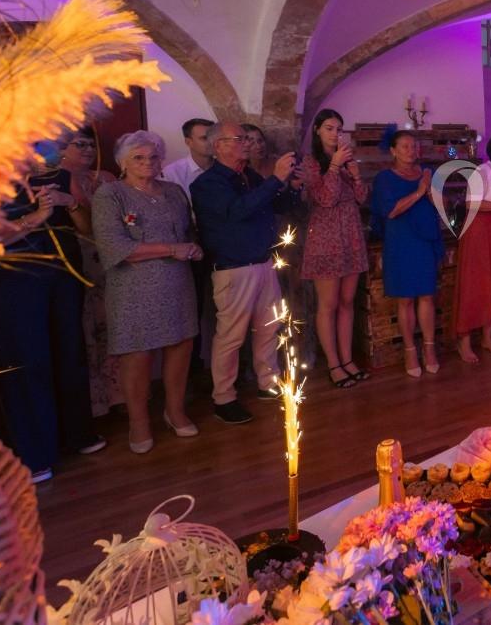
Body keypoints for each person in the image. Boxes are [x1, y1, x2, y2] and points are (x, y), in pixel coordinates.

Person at [0, 141, 105, 482]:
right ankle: (34, 455)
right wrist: (34, 219)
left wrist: (67, 203)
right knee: (27, 363)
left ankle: (76, 435)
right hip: (11, 282)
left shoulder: (54, 177)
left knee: (68, 355)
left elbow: (86, 226)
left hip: (60, 275)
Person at [91, 132, 201, 453]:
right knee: (137, 355)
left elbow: (188, 232)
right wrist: (172, 249)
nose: (148, 163)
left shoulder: (174, 191)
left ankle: (175, 411)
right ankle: (138, 423)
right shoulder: (110, 194)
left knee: (181, 346)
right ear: (122, 162)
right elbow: (114, 246)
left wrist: (193, 247)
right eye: (138, 157)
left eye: (153, 156)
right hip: (133, 288)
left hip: (177, 283)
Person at [191, 122, 300, 424]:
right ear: (218, 146)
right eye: (239, 139)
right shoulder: (208, 184)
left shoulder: (249, 176)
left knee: (269, 329)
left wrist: (291, 185)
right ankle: (224, 398)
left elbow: (277, 205)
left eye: (247, 139)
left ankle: (268, 382)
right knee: (231, 337)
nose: (247, 143)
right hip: (233, 268)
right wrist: (275, 179)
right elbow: (237, 211)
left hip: (264, 262)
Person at [301, 109, 370, 388]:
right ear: (317, 130)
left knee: (347, 302)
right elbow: (325, 199)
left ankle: (348, 359)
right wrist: (333, 167)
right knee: (328, 305)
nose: (335, 134)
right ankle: (333, 364)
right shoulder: (310, 163)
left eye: (339, 129)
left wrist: (356, 176)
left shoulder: (347, 161)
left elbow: (361, 199)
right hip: (326, 240)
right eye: (329, 128)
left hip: (350, 236)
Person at [370, 129, 445, 377]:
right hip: (400, 242)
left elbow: (442, 206)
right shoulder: (385, 178)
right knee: (405, 299)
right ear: (393, 151)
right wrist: (419, 191)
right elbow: (390, 211)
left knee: (427, 295)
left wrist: (431, 191)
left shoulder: (427, 173)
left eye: (414, 146)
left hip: (425, 240)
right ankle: (410, 350)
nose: (411, 150)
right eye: (405, 146)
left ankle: (429, 348)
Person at [59, 127, 120, 417]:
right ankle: (93, 403)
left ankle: (118, 396)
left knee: (113, 325)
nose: (88, 150)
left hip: (110, 258)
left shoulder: (106, 177)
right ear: (63, 148)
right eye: (79, 144)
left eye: (91, 145)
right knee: (85, 330)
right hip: (78, 259)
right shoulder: (57, 179)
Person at [453, 134, 491, 361]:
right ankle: (464, 342)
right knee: (475, 285)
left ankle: (487, 338)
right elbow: (471, 203)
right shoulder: (481, 172)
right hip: (478, 233)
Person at [162, 118, 215, 194]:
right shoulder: (171, 173)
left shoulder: (227, 167)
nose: (212, 142)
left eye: (213, 137)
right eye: (204, 138)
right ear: (188, 142)